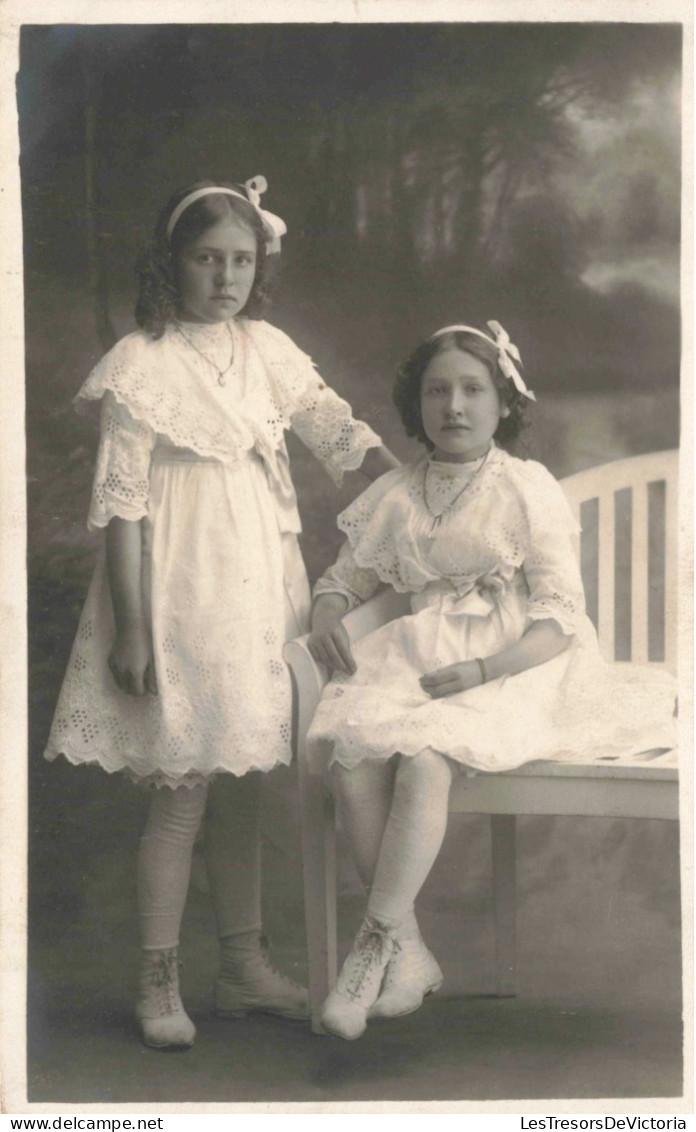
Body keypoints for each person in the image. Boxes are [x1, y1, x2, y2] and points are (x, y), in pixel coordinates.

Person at [44, 175, 398, 1049]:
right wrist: (131, 625)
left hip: (259, 583)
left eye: (242, 260)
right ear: (174, 263)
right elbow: (123, 506)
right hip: (179, 589)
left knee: (243, 785)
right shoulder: (142, 363)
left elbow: (331, 428)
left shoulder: (266, 348)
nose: (226, 276)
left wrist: (409, 482)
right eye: (207, 258)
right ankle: (156, 976)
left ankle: (241, 965)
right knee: (182, 793)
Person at [305, 321, 677, 1041]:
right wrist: (326, 608)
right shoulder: (397, 492)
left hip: (518, 667)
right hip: (423, 664)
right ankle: (409, 953)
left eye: (473, 390)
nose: (454, 406)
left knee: (424, 759)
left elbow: (560, 617)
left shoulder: (525, 487)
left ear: (504, 402)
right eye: (436, 391)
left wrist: (485, 668)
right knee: (348, 754)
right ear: (415, 405)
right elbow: (344, 577)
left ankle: (373, 945)